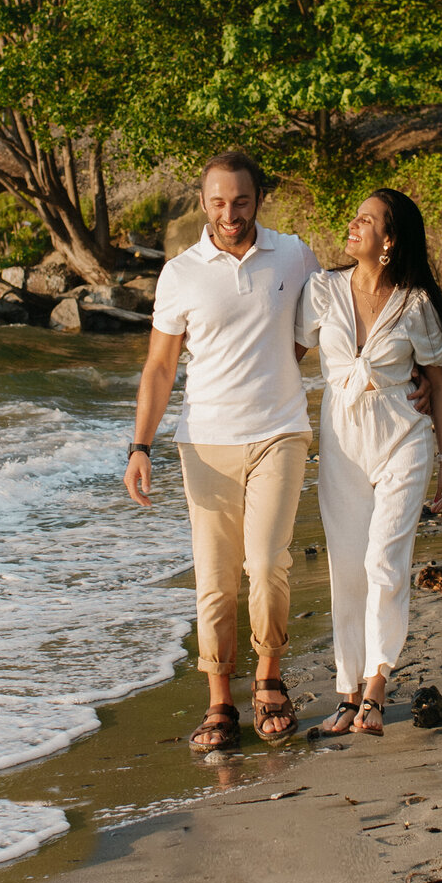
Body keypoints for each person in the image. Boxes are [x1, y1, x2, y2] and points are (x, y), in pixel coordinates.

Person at [122, 150, 321, 752]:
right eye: (217, 202)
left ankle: (269, 681)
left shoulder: (293, 254)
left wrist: (412, 371)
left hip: (280, 432)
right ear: (202, 202)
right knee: (214, 579)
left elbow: (324, 325)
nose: (229, 213)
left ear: (258, 198)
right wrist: (139, 446)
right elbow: (160, 367)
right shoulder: (181, 273)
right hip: (204, 441)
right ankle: (218, 704)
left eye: (240, 201)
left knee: (266, 564)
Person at [296, 188, 442, 736]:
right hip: (340, 444)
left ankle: (378, 685)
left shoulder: (415, 306)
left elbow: (436, 381)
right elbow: (286, 353)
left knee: (384, 562)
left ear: (388, 240)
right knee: (346, 568)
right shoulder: (321, 290)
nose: (352, 223)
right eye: (354, 214)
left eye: (365, 220)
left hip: (402, 440)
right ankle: (347, 691)